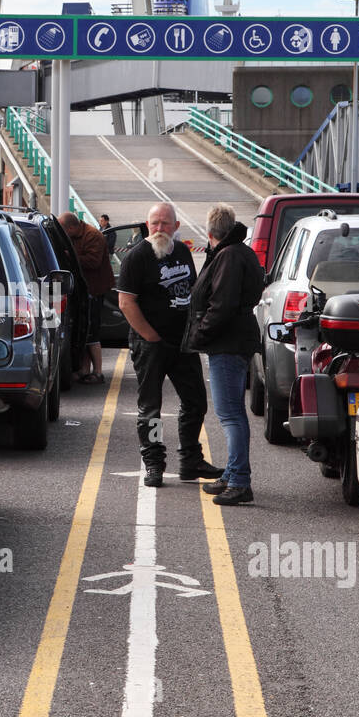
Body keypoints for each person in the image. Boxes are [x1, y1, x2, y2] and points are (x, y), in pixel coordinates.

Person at [118, 202, 222, 488]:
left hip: (183, 343)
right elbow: (126, 303)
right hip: (150, 345)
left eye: (165, 223)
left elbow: (191, 291)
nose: (160, 229)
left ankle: (190, 460)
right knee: (150, 408)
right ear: (147, 226)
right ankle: (153, 463)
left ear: (176, 227)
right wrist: (150, 336)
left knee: (196, 401)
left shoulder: (183, 252)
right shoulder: (136, 257)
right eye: (155, 223)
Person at [182, 203, 264, 506]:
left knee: (231, 415)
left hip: (227, 344)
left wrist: (200, 333)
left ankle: (240, 480)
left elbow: (223, 305)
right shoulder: (239, 252)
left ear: (210, 231)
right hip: (235, 340)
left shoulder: (228, 256)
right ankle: (232, 474)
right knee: (232, 413)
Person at [58, 211, 114, 385]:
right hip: (83, 290)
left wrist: (69, 257)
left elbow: (93, 261)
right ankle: (84, 371)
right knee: (83, 331)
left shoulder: (93, 236)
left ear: (72, 227)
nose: (64, 235)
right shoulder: (75, 235)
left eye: (65, 231)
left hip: (94, 289)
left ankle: (97, 372)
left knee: (92, 331)